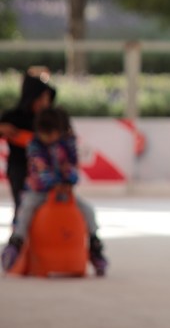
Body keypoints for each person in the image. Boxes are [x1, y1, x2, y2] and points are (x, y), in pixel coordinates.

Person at [1, 106, 108, 275]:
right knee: (25, 209)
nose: (48, 138)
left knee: (88, 210)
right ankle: (16, 242)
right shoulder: (35, 145)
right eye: (45, 134)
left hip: (64, 193)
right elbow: (39, 168)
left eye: (52, 134)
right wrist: (53, 183)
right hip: (39, 191)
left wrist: (68, 181)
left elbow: (72, 166)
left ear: (59, 131)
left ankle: (95, 247)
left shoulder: (67, 144)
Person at [0, 67, 56, 224]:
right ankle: (18, 242)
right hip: (19, 167)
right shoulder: (13, 116)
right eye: (40, 98)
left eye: (46, 98)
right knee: (22, 205)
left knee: (46, 205)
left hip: (45, 168)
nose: (44, 102)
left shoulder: (51, 119)